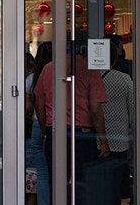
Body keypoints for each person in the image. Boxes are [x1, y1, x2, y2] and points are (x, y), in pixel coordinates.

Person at [34, 31, 109, 205]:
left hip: (56, 132)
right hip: (83, 135)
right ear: (85, 48)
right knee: (82, 182)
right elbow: (95, 108)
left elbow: (39, 103)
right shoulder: (90, 70)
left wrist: (46, 130)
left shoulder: (49, 68)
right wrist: (103, 139)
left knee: (56, 181)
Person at [95, 35, 133, 205]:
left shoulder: (91, 78)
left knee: (99, 179)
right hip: (120, 136)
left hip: (96, 136)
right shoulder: (124, 79)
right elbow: (133, 111)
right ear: (116, 58)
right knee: (117, 178)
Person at [25, 42, 52, 205]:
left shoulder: (31, 78)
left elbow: (29, 106)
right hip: (59, 124)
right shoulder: (59, 74)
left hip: (37, 124)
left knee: (42, 171)